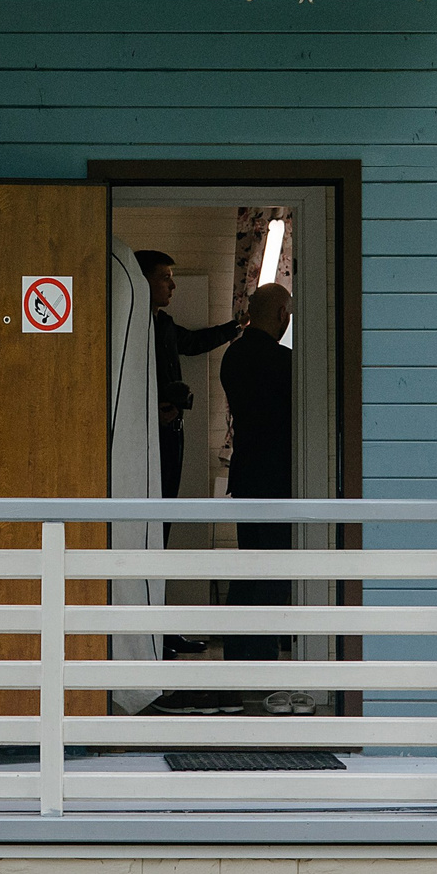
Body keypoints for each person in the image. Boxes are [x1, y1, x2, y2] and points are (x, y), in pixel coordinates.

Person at [219, 284, 295, 670]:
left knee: (248, 567)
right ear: (282, 314)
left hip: (247, 474)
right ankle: (263, 659)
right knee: (274, 572)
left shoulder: (233, 356)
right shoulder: (284, 362)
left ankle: (239, 654)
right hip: (279, 479)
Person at [136, 250, 243, 496]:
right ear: (143, 281)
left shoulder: (164, 325)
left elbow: (194, 342)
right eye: (165, 278)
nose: (173, 285)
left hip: (172, 429)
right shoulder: (127, 327)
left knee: (168, 497)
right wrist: (152, 412)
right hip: (144, 432)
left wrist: (236, 326)